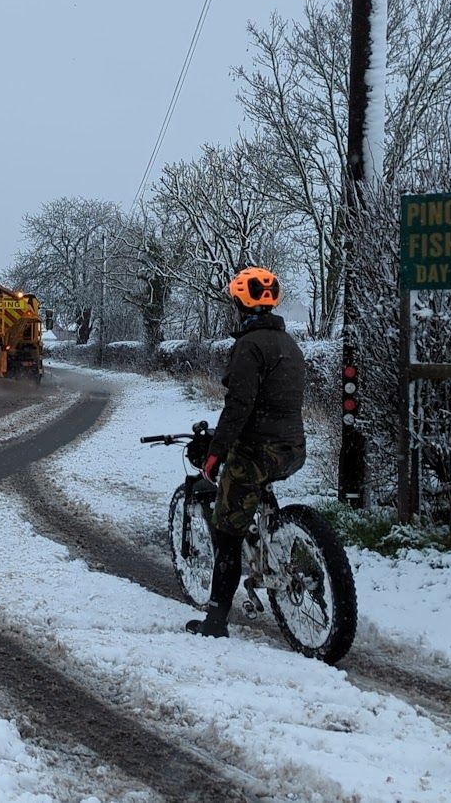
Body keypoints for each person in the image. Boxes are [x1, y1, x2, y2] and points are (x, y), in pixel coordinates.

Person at [186, 266, 307, 637]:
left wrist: (216, 453)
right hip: (292, 448)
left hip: (256, 452)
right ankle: (275, 544)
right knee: (254, 497)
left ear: (240, 303)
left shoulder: (249, 346)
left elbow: (239, 406)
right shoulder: (289, 344)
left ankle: (216, 621)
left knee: (227, 532)